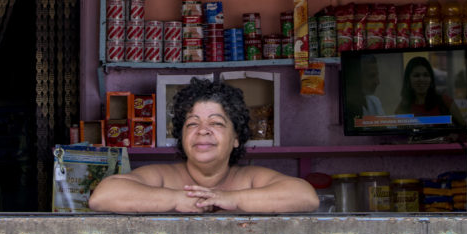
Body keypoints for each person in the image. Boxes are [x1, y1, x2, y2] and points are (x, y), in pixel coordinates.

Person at [88, 78, 319, 214]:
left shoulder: (249, 179)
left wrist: (230, 199)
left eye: (216, 123)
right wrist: (176, 199)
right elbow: (103, 196)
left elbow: (306, 196)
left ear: (236, 137)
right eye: (192, 123)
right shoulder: (162, 177)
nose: (203, 130)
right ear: (182, 136)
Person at [394, 56, 466, 128]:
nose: (421, 79)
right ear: (408, 80)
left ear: (431, 79)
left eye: (426, 75)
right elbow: (401, 137)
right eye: (416, 75)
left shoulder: (445, 101)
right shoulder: (402, 108)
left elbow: (464, 129)